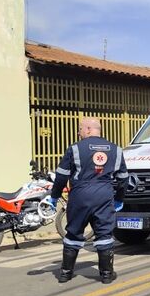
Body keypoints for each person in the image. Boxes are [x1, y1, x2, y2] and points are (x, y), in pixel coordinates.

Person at [49, 118, 128, 284]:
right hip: (104, 196)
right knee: (104, 234)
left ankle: (65, 273)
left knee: (73, 233)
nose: (78, 132)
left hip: (80, 196)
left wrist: (55, 195)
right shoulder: (116, 150)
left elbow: (62, 176)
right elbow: (123, 179)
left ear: (89, 129)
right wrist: (119, 198)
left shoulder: (75, 148)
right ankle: (106, 274)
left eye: (80, 129)